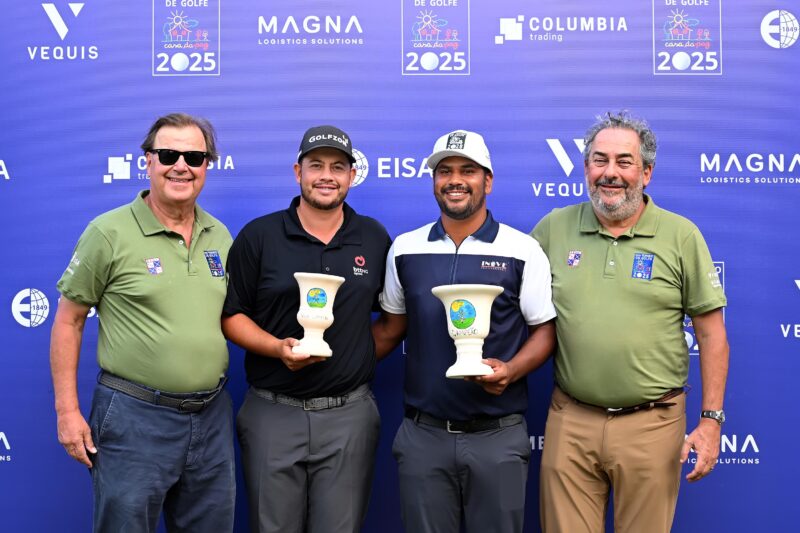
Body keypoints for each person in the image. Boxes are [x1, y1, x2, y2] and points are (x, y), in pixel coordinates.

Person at [532, 111, 729, 533]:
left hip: (652, 423)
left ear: (647, 172)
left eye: (624, 161)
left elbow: (711, 334)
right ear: (585, 168)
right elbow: (520, 311)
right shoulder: (552, 230)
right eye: (600, 160)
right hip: (571, 421)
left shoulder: (681, 236)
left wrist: (711, 421)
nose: (610, 173)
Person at [50, 113, 235, 532]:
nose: (181, 165)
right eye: (168, 154)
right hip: (134, 417)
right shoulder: (108, 232)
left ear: (208, 165)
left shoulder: (220, 236)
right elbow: (68, 320)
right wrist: (67, 411)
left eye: (194, 156)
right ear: (148, 161)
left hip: (211, 417)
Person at [372, 129, 557, 533]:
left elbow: (544, 332)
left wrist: (511, 370)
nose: (455, 180)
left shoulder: (522, 249)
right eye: (444, 171)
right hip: (424, 435)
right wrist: (334, 366)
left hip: (497, 435)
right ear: (435, 181)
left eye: (467, 170)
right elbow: (390, 328)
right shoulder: (404, 249)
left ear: (487, 180)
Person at [222, 125, 391, 533]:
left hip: (347, 414)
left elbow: (393, 316)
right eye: (316, 165)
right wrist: (278, 348)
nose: (327, 176)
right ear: (297, 171)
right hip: (272, 411)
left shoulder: (373, 237)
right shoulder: (259, 236)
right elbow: (232, 316)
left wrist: (355, 357)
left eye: (338, 167)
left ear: (352, 175)